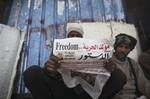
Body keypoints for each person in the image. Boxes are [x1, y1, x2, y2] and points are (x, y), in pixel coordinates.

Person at [23, 25, 126, 99]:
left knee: (119, 75)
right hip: (62, 90)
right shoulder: (59, 49)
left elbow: (104, 73)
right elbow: (49, 70)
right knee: (32, 72)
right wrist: (49, 69)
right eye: (71, 35)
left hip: (86, 92)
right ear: (67, 38)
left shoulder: (93, 50)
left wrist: (109, 69)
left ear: (82, 39)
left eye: (78, 35)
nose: (74, 37)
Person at [110, 33, 150, 99]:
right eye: (120, 46)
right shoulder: (108, 62)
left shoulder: (132, 63)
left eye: (126, 47)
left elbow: (144, 84)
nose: (123, 50)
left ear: (130, 49)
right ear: (115, 47)